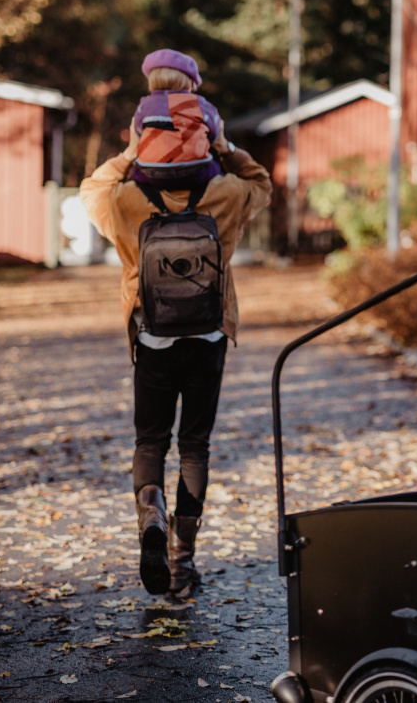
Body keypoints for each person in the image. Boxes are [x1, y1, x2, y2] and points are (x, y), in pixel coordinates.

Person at [79, 49, 271, 595]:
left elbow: (89, 191)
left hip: (153, 333)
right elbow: (263, 185)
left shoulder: (126, 200)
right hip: (208, 333)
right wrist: (225, 146)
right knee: (195, 446)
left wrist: (131, 152)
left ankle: (150, 521)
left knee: (149, 440)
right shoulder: (227, 193)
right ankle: (183, 562)